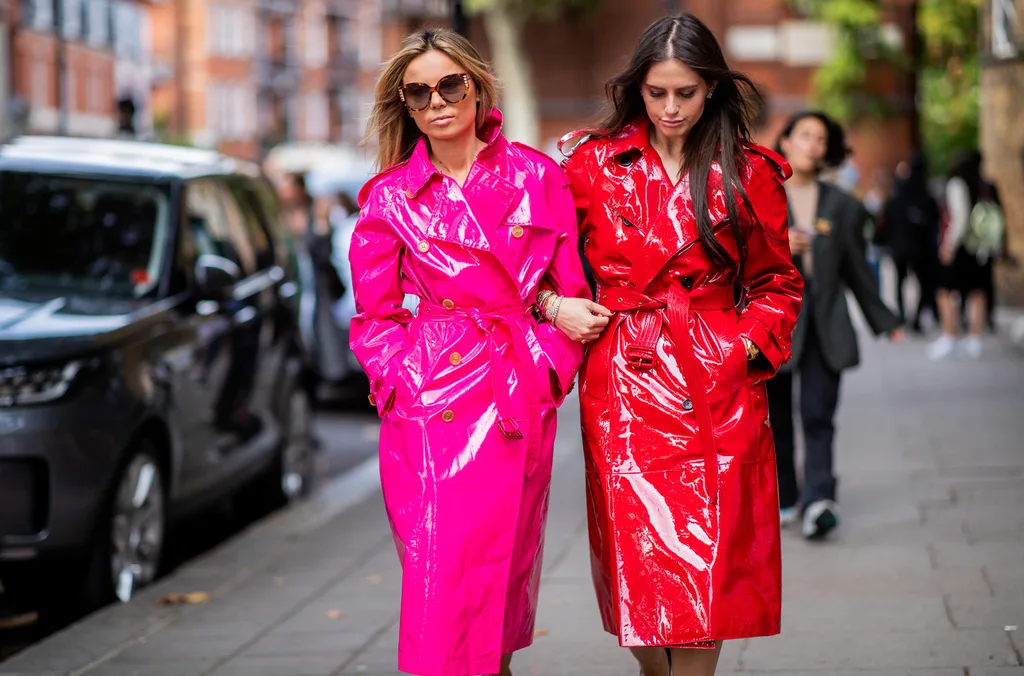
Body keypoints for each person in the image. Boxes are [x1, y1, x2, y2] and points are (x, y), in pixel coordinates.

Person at [547, 14, 804, 676]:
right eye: (656, 92)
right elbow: (542, 266)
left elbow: (777, 283)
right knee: (636, 561)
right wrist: (557, 307)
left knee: (708, 567)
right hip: (625, 380)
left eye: (685, 93)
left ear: (712, 90)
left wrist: (739, 349)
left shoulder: (750, 172)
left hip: (714, 382)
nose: (669, 108)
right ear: (636, 89)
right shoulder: (590, 165)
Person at [348, 28, 590, 676]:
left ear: (479, 87)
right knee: (439, 577)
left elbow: (570, 293)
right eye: (419, 92)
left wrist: (544, 371)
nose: (437, 101)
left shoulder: (537, 177)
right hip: (430, 404)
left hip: (514, 387)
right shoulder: (390, 197)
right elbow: (374, 316)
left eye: (450, 84)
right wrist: (404, 382)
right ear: (406, 104)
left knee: (505, 569)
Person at [769, 111, 902, 539]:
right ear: (785, 142)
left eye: (821, 139)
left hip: (827, 322)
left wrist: (884, 320)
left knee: (818, 414)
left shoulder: (844, 205)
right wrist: (777, 243)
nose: (813, 145)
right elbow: (736, 259)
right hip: (773, 322)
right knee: (776, 419)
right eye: (804, 135)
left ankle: (820, 498)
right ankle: (785, 496)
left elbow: (857, 271)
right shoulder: (759, 197)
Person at [929, 151, 1003, 360]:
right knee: (977, 293)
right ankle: (974, 338)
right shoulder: (986, 185)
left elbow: (959, 218)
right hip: (980, 249)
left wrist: (948, 245)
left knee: (945, 291)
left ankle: (949, 335)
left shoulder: (957, 184)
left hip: (961, 248)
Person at [883, 153, 941, 332]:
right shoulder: (927, 195)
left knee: (900, 281)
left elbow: (888, 219)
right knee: (924, 284)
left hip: (900, 246)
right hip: (920, 248)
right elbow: (934, 221)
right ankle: (915, 317)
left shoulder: (899, 194)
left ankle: (901, 315)